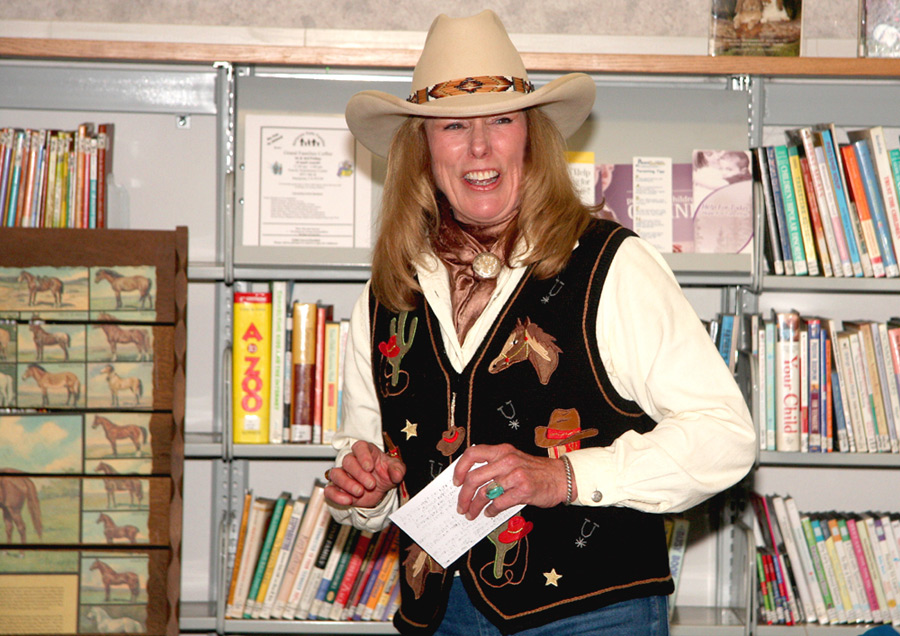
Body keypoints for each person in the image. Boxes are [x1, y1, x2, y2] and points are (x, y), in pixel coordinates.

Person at [324, 9, 756, 636]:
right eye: (452, 126)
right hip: (439, 615)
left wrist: (565, 475)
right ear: (422, 148)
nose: (480, 148)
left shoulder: (613, 265)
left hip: (595, 615)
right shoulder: (388, 289)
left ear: (532, 137)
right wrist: (365, 490)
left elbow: (725, 435)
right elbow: (366, 447)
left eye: (501, 120)